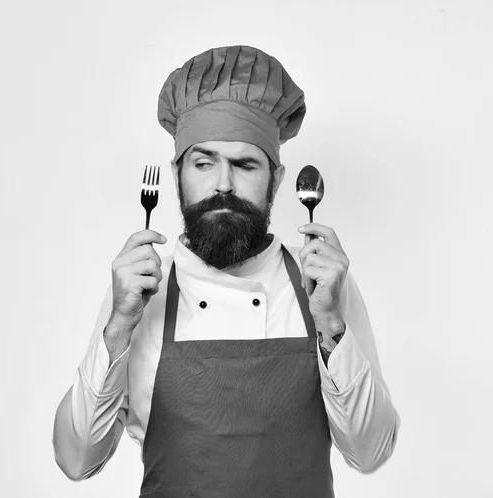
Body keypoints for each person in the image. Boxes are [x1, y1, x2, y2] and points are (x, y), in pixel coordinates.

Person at [52, 45, 400, 497]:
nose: (222, 184)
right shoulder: (141, 289)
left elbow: (370, 453)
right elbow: (77, 460)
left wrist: (332, 324)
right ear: (177, 174)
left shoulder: (320, 283)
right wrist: (118, 327)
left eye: (244, 164)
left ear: (275, 179)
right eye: (204, 162)